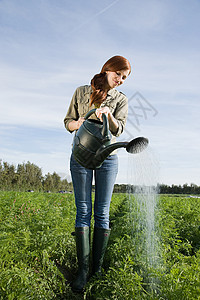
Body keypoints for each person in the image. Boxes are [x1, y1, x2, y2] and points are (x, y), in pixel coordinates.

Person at [64, 55, 131, 292]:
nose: (121, 80)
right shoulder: (82, 91)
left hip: (107, 158)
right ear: (107, 70)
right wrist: (80, 122)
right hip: (81, 155)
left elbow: (119, 130)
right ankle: (83, 271)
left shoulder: (121, 99)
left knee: (102, 213)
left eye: (124, 77)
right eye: (118, 74)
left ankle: (97, 269)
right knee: (83, 211)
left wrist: (110, 116)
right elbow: (67, 122)